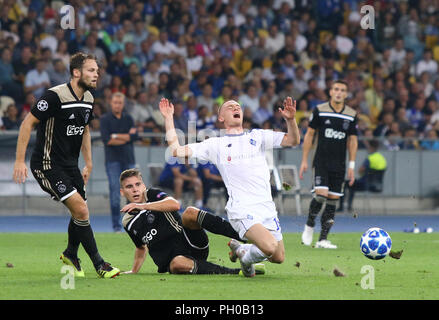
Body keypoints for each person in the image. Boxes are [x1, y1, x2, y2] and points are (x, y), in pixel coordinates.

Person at [159, 96, 300, 277]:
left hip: (266, 207)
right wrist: (169, 118)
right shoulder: (215, 145)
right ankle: (245, 257)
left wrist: (290, 120)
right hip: (242, 208)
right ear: (221, 118)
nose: (236, 107)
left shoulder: (258, 136)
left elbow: (293, 141)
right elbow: (177, 151)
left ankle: (242, 250)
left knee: (278, 256)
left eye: (238, 106)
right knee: (269, 246)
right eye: (230, 106)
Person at [12, 52, 120, 278]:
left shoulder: (89, 98)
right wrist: (19, 160)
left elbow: (85, 129)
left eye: (97, 71)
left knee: (78, 211)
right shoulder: (54, 96)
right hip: (47, 164)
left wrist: (88, 162)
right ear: (76, 72)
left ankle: (71, 253)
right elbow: (27, 123)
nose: (96, 74)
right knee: (81, 209)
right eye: (91, 70)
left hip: (71, 165)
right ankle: (100, 264)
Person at [119, 168, 259, 275]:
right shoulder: (127, 221)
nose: (135, 189)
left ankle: (247, 235)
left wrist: (141, 206)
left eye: (138, 184)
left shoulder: (152, 194)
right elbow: (140, 247)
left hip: (190, 243)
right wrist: (134, 271)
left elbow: (175, 205)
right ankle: (240, 270)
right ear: (122, 192)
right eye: (129, 187)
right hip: (172, 260)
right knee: (176, 264)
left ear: (143, 186)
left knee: (190, 213)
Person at [299, 80, 358, 249]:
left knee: (332, 202)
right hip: (321, 161)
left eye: (342, 90)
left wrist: (352, 165)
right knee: (320, 195)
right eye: (336, 89)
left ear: (346, 94)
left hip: (339, 164)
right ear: (331, 92)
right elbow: (309, 135)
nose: (339, 92)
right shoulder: (319, 111)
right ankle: (309, 225)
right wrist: (304, 160)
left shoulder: (351, 115)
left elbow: (353, 141)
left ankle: (322, 239)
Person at [100, 92, 138, 232]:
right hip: (112, 161)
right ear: (111, 103)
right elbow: (107, 140)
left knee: (133, 193)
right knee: (115, 193)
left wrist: (116, 136)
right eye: (115, 102)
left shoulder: (129, 118)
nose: (117, 105)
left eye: (120, 103)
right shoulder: (105, 119)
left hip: (128, 159)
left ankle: (130, 223)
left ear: (123, 104)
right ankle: (116, 225)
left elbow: (135, 137)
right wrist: (126, 137)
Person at [338, 139, 387, 212]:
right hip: (378, 186)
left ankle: (342, 207)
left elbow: (360, 170)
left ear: (371, 147)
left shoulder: (370, 158)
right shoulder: (382, 159)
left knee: (347, 184)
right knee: (352, 185)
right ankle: (349, 207)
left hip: (366, 184)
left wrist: (362, 174)